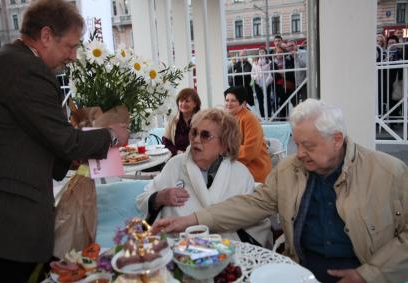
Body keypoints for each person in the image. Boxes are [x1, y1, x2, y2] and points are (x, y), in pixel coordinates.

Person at [153, 99, 408, 283]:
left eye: (308, 145)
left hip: (362, 271)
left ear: (337, 139)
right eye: (297, 144)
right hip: (298, 271)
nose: (300, 153)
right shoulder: (289, 171)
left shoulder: (388, 172)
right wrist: (190, 220)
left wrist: (369, 274)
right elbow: (252, 204)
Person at [0, 0, 128, 282]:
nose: (73, 56)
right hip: (7, 222)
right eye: (70, 46)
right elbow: (64, 140)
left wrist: (71, 158)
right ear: (46, 36)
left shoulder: (7, 61)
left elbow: (30, 136)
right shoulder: (26, 68)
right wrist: (111, 134)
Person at [137, 108, 272, 247]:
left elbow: (252, 219)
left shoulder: (240, 174)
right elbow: (143, 199)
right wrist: (159, 197)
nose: (196, 139)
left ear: (224, 145)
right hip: (180, 246)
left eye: (205, 135)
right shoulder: (175, 165)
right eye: (194, 133)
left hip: (226, 249)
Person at [224, 86, 271, 183]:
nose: (229, 104)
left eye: (233, 101)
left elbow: (250, 151)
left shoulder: (249, 119)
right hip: (235, 165)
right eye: (227, 100)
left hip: (254, 168)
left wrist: (229, 151)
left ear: (243, 103)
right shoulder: (228, 118)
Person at [162, 88, 201, 156]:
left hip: (197, 157)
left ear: (195, 104)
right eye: (181, 101)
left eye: (187, 101)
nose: (183, 103)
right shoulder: (172, 120)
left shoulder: (201, 119)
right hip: (177, 157)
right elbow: (165, 142)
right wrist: (177, 152)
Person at [251, 47, 273, 118]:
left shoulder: (269, 62)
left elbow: (271, 74)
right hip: (258, 84)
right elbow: (252, 74)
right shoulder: (255, 64)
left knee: (267, 100)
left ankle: (269, 116)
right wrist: (256, 78)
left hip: (267, 84)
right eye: (260, 52)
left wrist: (266, 83)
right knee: (260, 101)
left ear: (266, 53)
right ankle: (263, 116)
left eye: (263, 52)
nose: (261, 53)